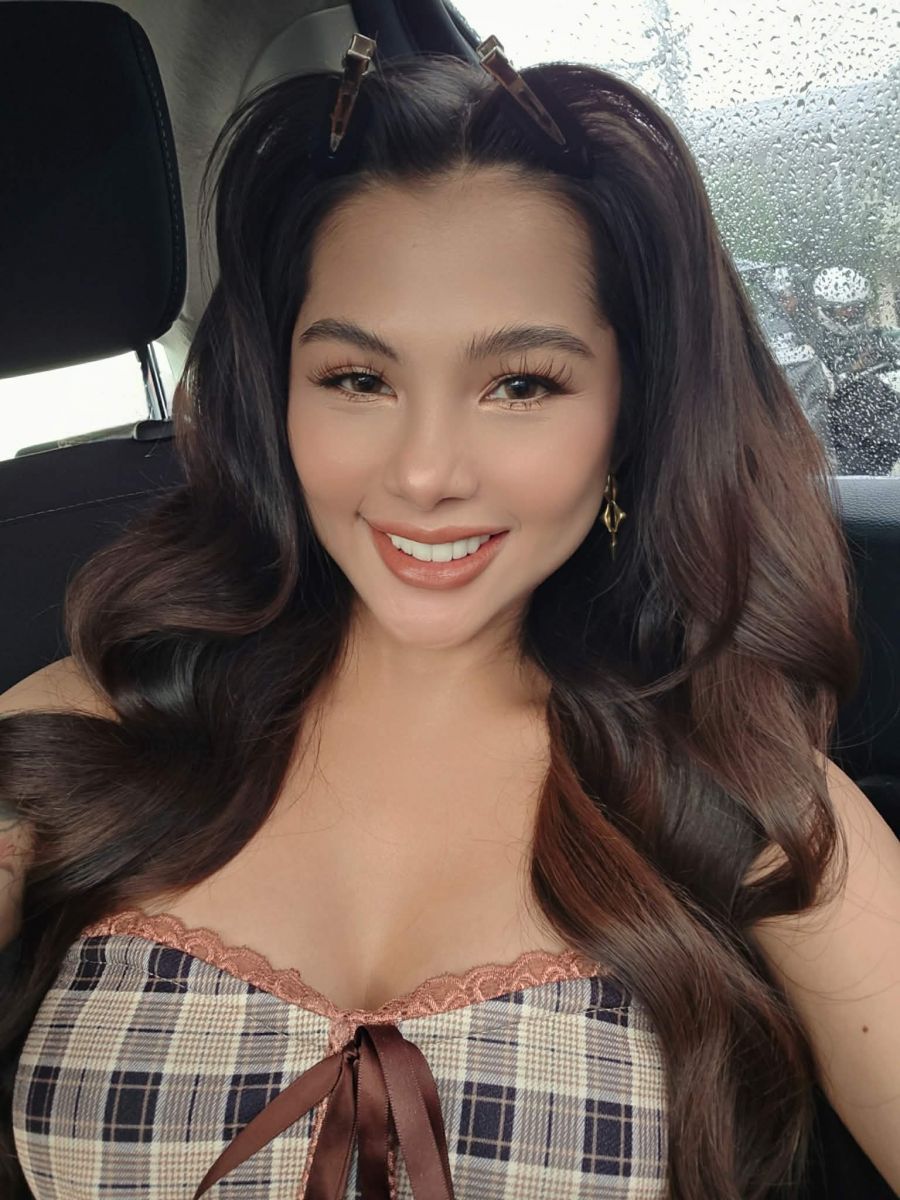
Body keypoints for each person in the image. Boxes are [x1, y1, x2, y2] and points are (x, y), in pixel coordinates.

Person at [2, 30, 897, 1200]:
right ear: (279, 396)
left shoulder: (742, 789)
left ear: (629, 412)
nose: (426, 473)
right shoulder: (84, 730)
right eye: (357, 379)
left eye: (521, 384)